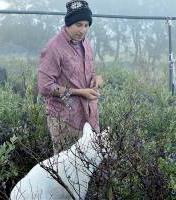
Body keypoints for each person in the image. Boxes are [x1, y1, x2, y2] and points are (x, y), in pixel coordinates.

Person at [38, 0, 103, 154]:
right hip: (65, 119)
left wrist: (97, 79)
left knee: (89, 164)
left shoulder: (85, 43)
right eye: (78, 25)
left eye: (86, 25)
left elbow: (90, 70)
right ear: (68, 23)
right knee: (66, 169)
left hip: (89, 115)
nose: (83, 30)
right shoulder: (54, 47)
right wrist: (80, 92)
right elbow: (44, 87)